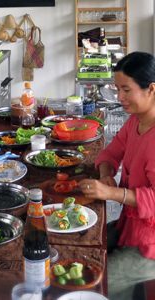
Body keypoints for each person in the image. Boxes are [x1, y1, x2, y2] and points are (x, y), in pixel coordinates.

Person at [78, 51, 155, 300]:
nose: (119, 98)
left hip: (150, 246)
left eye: (126, 90)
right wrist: (106, 172)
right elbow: (112, 151)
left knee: (99, 279)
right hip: (130, 227)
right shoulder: (137, 121)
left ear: (151, 89)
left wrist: (112, 193)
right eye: (116, 89)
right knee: (81, 249)